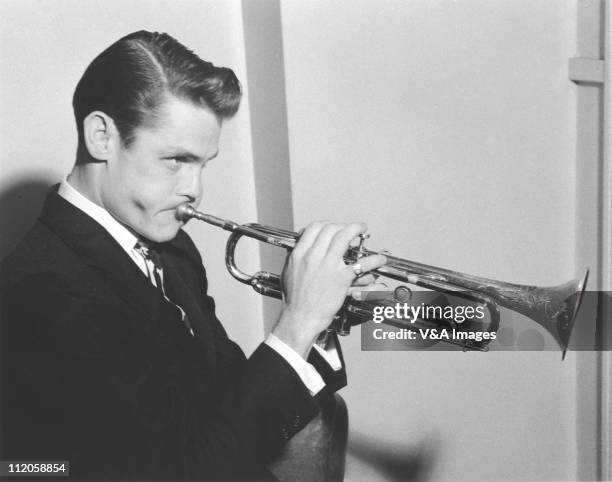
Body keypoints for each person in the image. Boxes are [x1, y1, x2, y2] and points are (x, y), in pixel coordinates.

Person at [0, 31, 386, 480]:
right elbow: (184, 470)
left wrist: (318, 314)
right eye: (175, 160)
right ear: (102, 136)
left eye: (203, 164)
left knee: (325, 412)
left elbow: (229, 400)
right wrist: (297, 320)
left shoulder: (169, 246)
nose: (194, 191)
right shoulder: (43, 293)